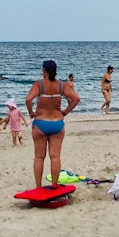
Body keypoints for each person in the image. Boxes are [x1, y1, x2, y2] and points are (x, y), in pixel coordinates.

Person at [26, 60, 80, 188]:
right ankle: (54, 185)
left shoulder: (39, 84)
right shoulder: (62, 85)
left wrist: (31, 112)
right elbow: (76, 98)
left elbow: (28, 99)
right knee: (55, 157)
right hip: (57, 123)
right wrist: (66, 111)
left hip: (40, 124)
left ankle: (38, 187)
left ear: (44, 70)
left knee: (39, 157)